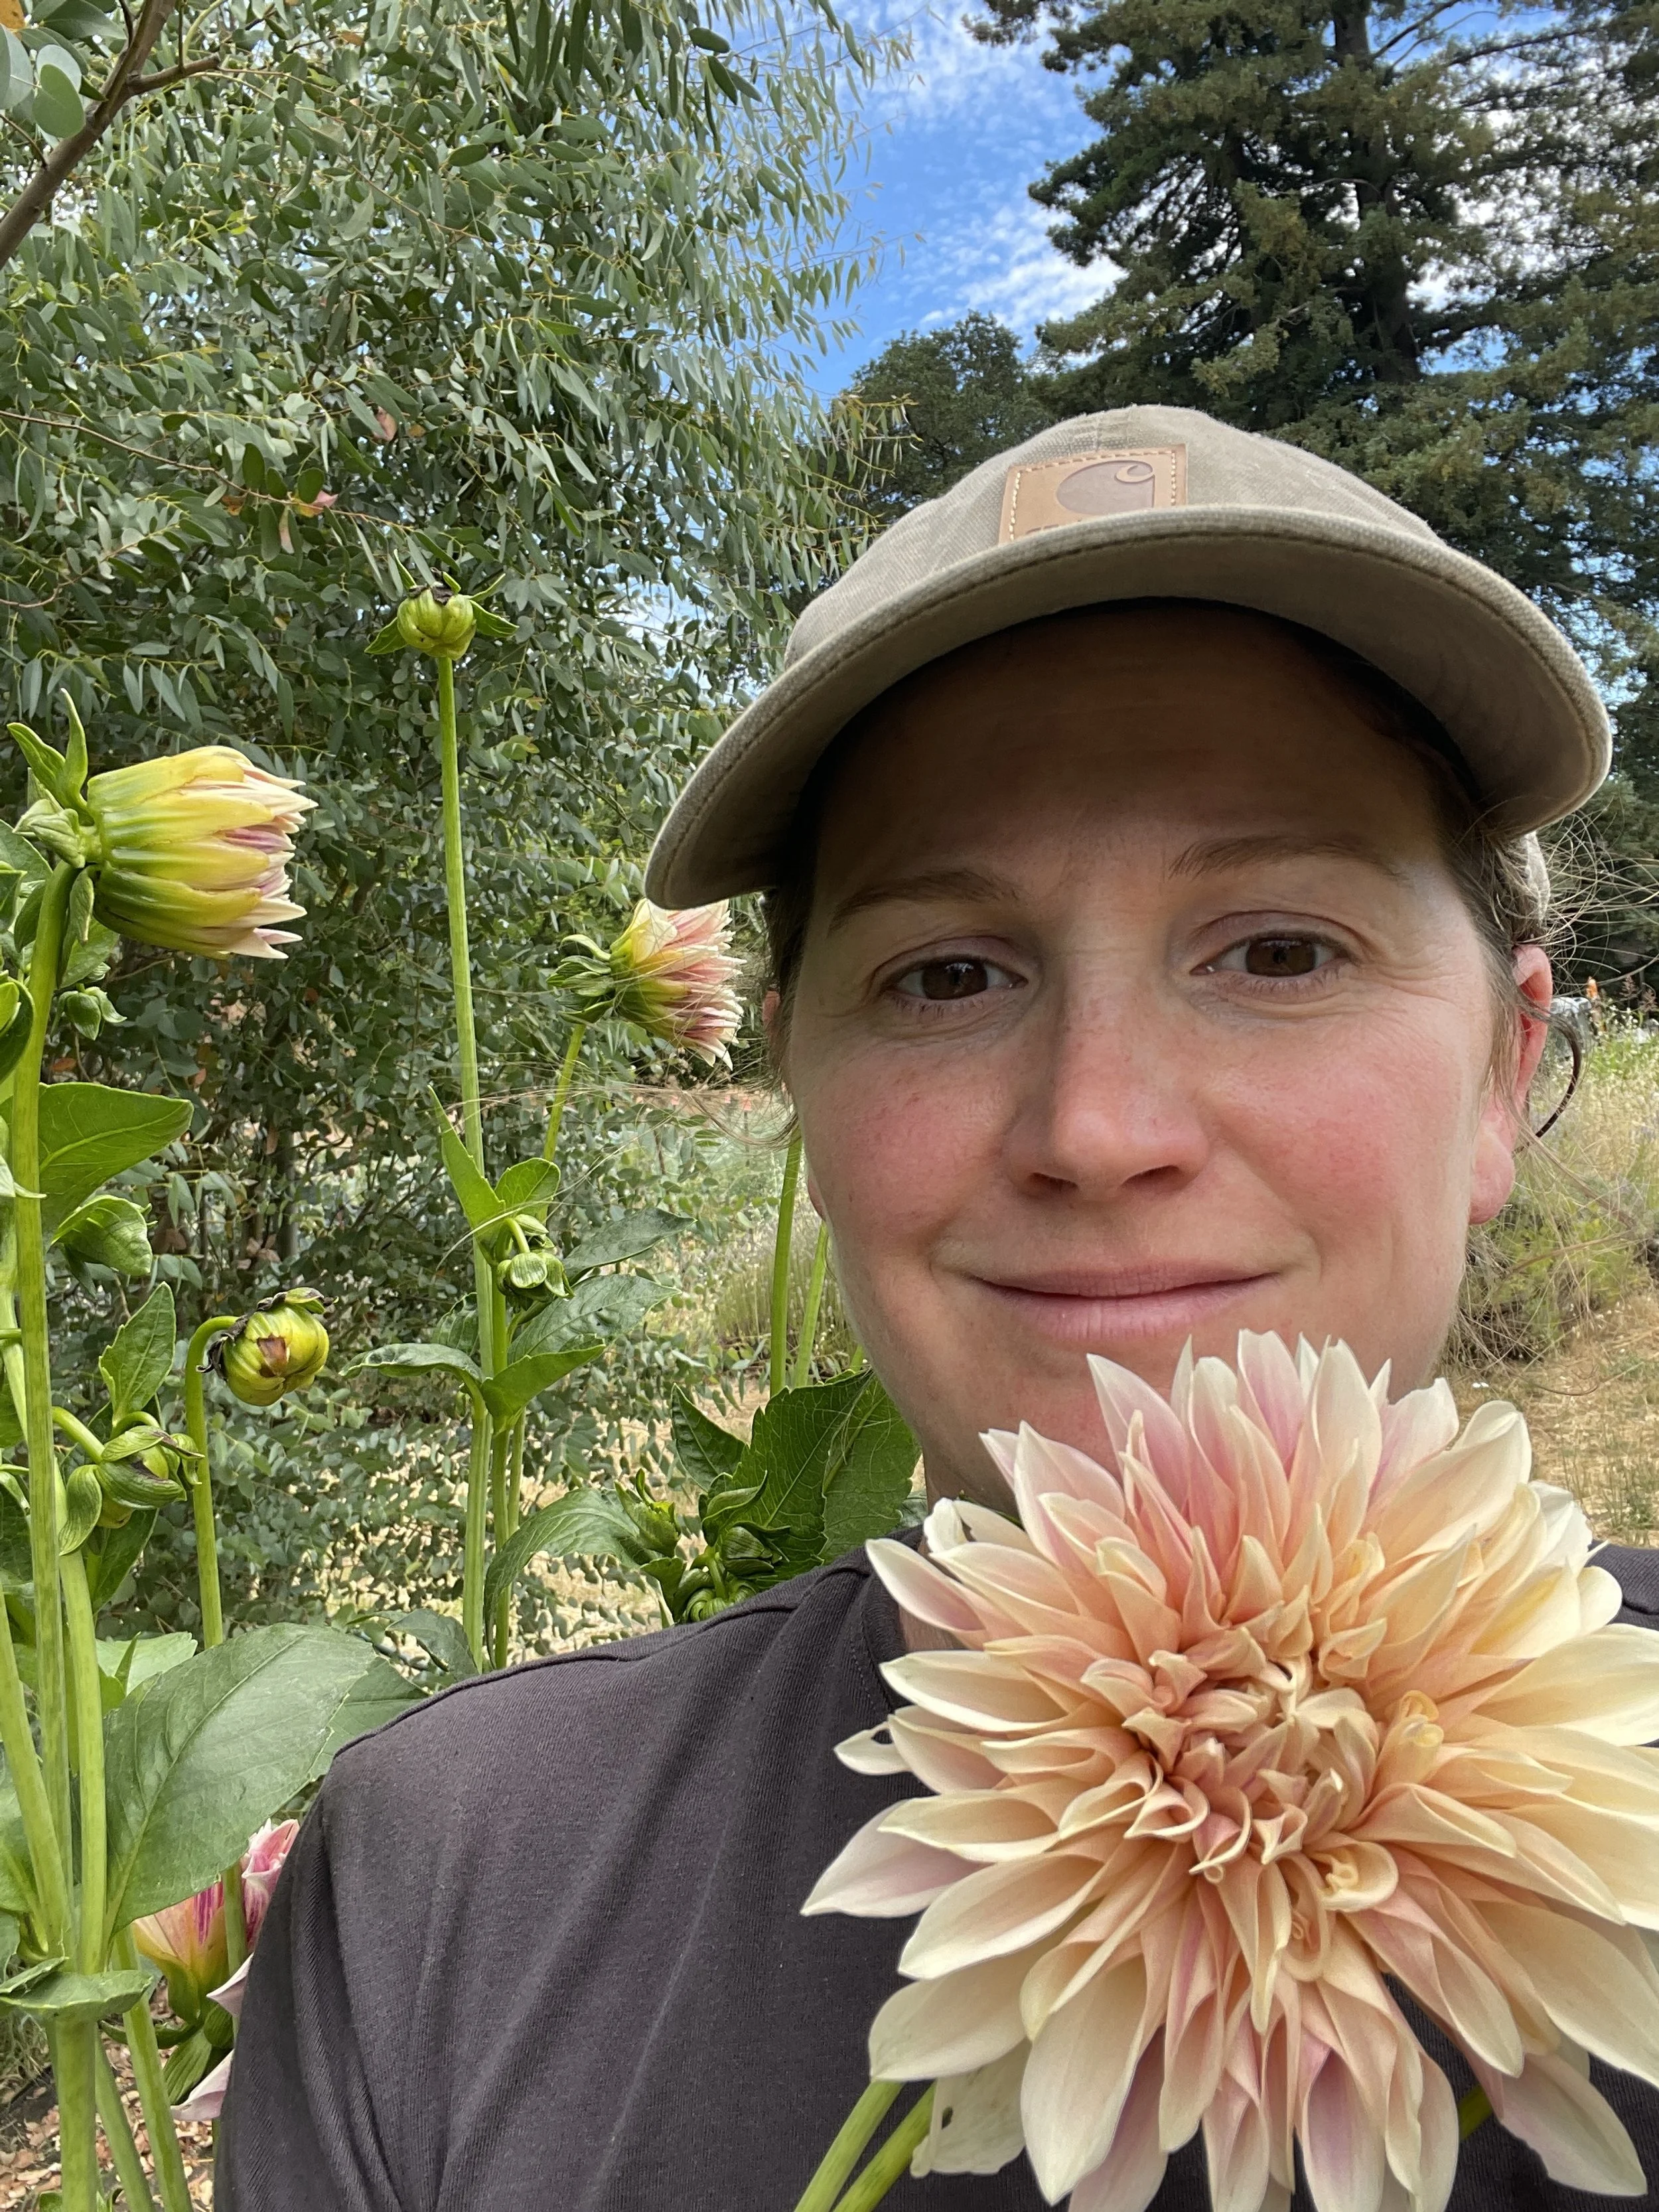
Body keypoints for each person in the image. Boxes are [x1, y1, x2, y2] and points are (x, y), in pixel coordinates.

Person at [219, 406, 1659, 2211]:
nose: (1097, 1125)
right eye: (948, 972)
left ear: (1502, 1068)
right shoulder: (448, 1891)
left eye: (1277, 947)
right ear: (802, 1107)